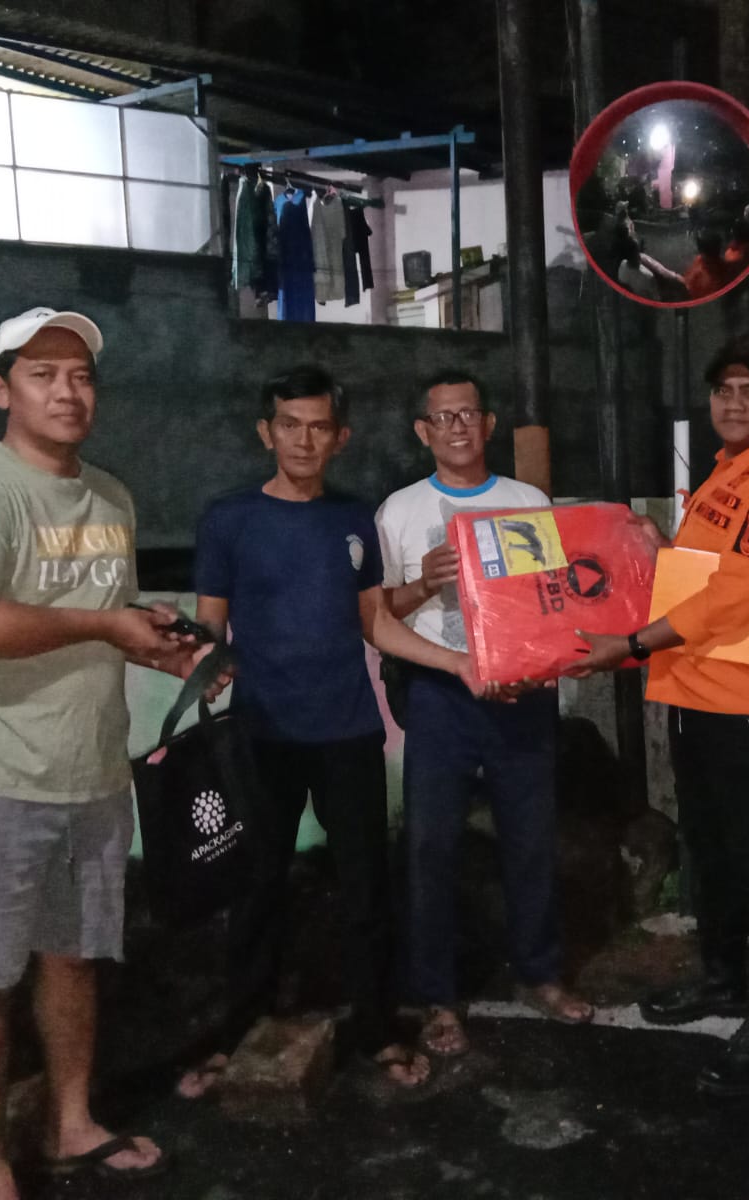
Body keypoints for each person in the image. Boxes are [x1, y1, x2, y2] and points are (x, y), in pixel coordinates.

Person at [0, 307, 218, 1200]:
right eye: (42, 374)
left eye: (81, 375)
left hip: (92, 773)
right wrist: (104, 625)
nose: (67, 392)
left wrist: (154, 645)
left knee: (73, 960)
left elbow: (96, 618)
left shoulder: (109, 497)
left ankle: (71, 1122)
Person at [182, 365, 487, 1096]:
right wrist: (201, 661)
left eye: (319, 426)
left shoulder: (354, 520)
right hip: (261, 733)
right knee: (256, 888)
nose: (304, 439)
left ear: (340, 437)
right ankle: (240, 1030)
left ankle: (377, 1030)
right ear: (266, 432)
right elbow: (208, 629)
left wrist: (456, 661)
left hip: (348, 731)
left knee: (365, 888)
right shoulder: (228, 520)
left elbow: (375, 622)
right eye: (289, 425)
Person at [569, 334, 749, 1095]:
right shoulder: (723, 476)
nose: (735, 403)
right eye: (724, 391)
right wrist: (661, 547)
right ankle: (722, 979)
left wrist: (630, 645)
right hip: (690, 692)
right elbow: (700, 574)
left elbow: (733, 598)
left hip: (745, 703)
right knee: (709, 849)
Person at [376, 370, 594, 1058]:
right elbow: (382, 612)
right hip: (441, 694)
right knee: (430, 845)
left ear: (489, 424)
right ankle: (437, 998)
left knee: (531, 838)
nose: (458, 427)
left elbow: (552, 598)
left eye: (469, 414)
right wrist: (425, 582)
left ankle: (540, 973)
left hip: (522, 693)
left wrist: (539, 664)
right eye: (443, 417)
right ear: (423, 431)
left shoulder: (527, 501)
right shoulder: (399, 511)